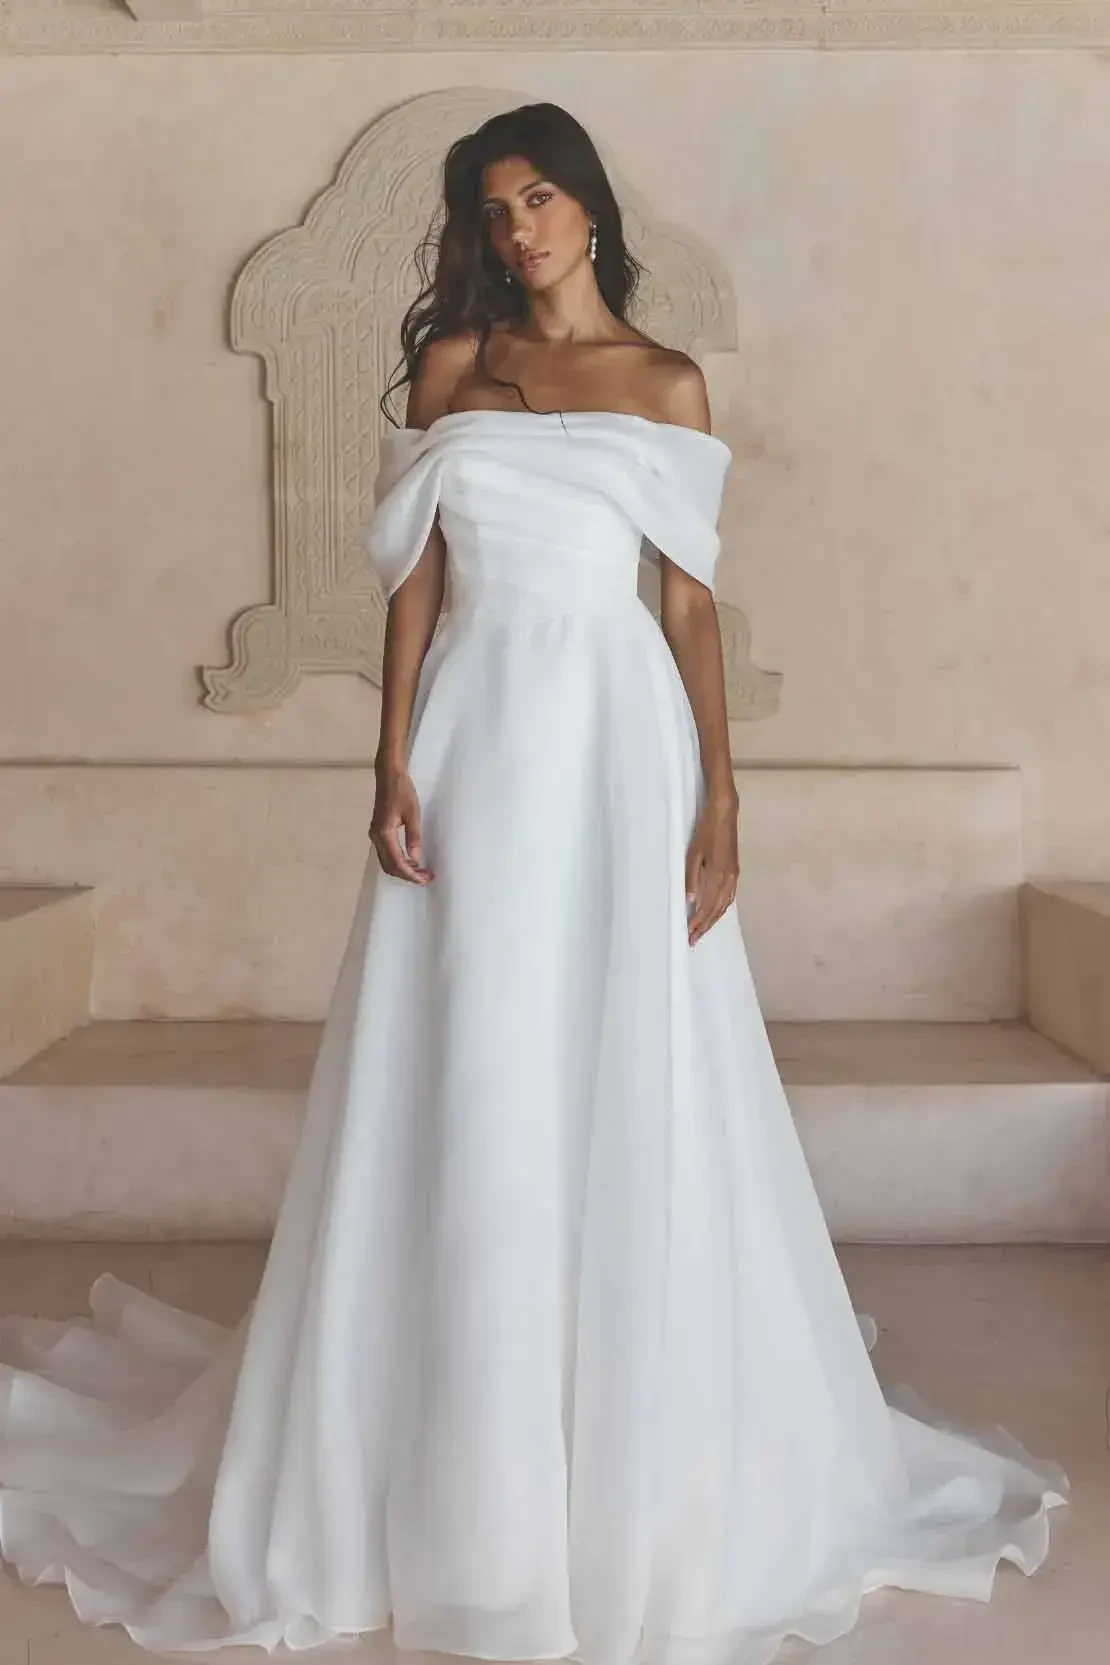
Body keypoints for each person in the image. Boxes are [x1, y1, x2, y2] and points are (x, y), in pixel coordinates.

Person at [0, 100, 1067, 1664]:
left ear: (589, 208)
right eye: (494, 208)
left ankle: (622, 1440)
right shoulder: (457, 373)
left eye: (542, 197)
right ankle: (448, 1453)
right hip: (480, 734)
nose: (519, 229)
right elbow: (415, 591)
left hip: (620, 739)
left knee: (626, 1046)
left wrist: (721, 796)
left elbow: (689, 610)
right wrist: (388, 764)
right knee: (474, 1050)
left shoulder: (664, 383)